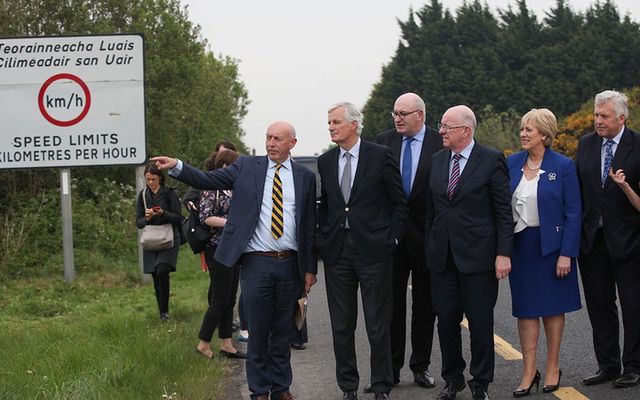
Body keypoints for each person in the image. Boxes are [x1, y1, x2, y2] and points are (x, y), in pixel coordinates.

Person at [153, 121, 317, 400]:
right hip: (257, 263)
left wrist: (310, 269)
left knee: (282, 330)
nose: (271, 143)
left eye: (277, 138)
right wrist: (178, 166)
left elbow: (309, 225)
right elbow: (207, 180)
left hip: (290, 263)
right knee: (257, 329)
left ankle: (281, 388)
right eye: (268, 137)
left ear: (292, 143)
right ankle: (258, 391)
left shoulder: (304, 177)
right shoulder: (247, 167)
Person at [317, 102, 407, 400]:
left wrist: (392, 239)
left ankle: (381, 385)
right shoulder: (326, 161)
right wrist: (323, 239)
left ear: (354, 125)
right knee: (342, 325)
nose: (331, 127)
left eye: (336, 122)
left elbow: (398, 203)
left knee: (377, 323)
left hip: (374, 252)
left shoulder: (380, 156)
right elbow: (328, 206)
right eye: (329, 122)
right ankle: (348, 387)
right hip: (337, 254)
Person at [425, 105, 513, 400]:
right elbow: (432, 211)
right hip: (443, 258)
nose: (441, 131)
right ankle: (453, 379)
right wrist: (430, 247)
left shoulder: (490, 160)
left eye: (446, 126)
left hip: (479, 258)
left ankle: (480, 383)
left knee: (480, 324)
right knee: (447, 321)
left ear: (466, 130)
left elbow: (502, 210)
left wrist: (503, 253)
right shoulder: (438, 161)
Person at [506, 109, 582, 397]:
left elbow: (573, 212)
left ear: (545, 135)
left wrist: (567, 254)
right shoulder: (511, 163)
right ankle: (529, 371)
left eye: (529, 129)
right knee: (525, 311)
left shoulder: (562, 166)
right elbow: (502, 209)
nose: (523, 134)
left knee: (552, 310)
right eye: (522, 128)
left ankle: (552, 367)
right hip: (520, 248)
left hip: (551, 248)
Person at [373, 92, 442, 391]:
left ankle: (421, 366)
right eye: (395, 113)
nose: (398, 118)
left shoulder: (440, 142)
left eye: (403, 113)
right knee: (391, 308)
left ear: (421, 115)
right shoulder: (383, 141)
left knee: (425, 306)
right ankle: (390, 369)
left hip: (428, 237)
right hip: (393, 238)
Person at [576, 90, 640, 389]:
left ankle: (634, 366)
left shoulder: (638, 145)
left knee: (633, 306)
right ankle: (608, 365)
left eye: (604, 116)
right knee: (600, 306)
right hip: (592, 242)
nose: (597, 121)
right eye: (596, 115)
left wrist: (625, 188)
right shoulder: (586, 144)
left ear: (621, 118)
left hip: (630, 242)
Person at [195, 149, 247, 360]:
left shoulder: (233, 189)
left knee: (230, 298)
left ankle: (227, 344)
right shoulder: (212, 188)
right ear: (225, 167)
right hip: (217, 248)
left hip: (233, 248)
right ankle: (203, 343)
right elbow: (205, 217)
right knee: (219, 299)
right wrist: (232, 224)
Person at [136, 161, 183, 321]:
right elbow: (138, 222)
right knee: (155, 275)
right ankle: (162, 311)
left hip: (168, 237)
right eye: (148, 179)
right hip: (151, 239)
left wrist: (163, 213)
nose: (150, 183)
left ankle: (165, 312)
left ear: (160, 178)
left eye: (153, 179)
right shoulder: (143, 195)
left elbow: (179, 218)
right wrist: (147, 218)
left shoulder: (170, 193)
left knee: (162, 270)